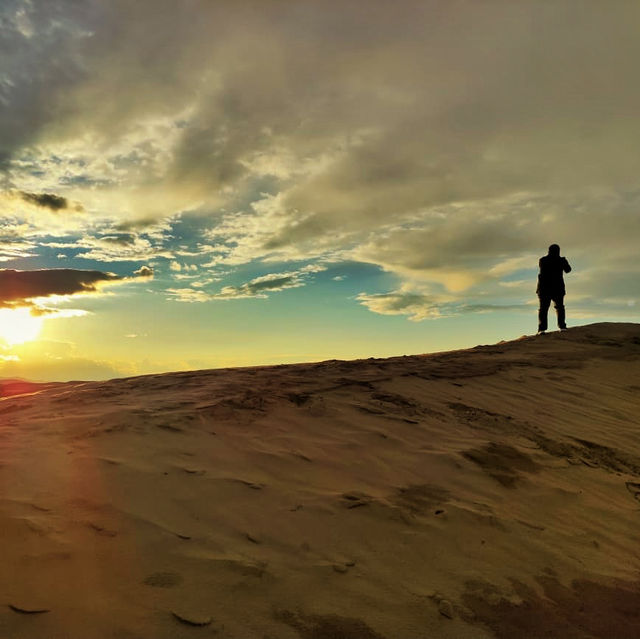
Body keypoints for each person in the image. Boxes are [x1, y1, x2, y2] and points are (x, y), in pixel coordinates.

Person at [537, 244, 571, 334]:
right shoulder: (560, 261)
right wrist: (563, 261)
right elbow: (568, 270)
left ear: (548, 251)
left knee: (544, 309)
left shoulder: (543, 260)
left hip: (545, 288)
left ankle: (542, 329)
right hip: (557, 288)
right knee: (559, 308)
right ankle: (562, 327)